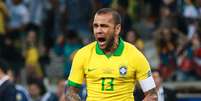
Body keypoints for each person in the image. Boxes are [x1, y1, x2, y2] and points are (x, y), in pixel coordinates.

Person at [66, 8, 157, 101]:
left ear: (117, 29)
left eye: (104, 26)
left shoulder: (135, 55)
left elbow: (152, 95)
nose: (98, 30)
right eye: (95, 26)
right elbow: (71, 92)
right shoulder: (83, 54)